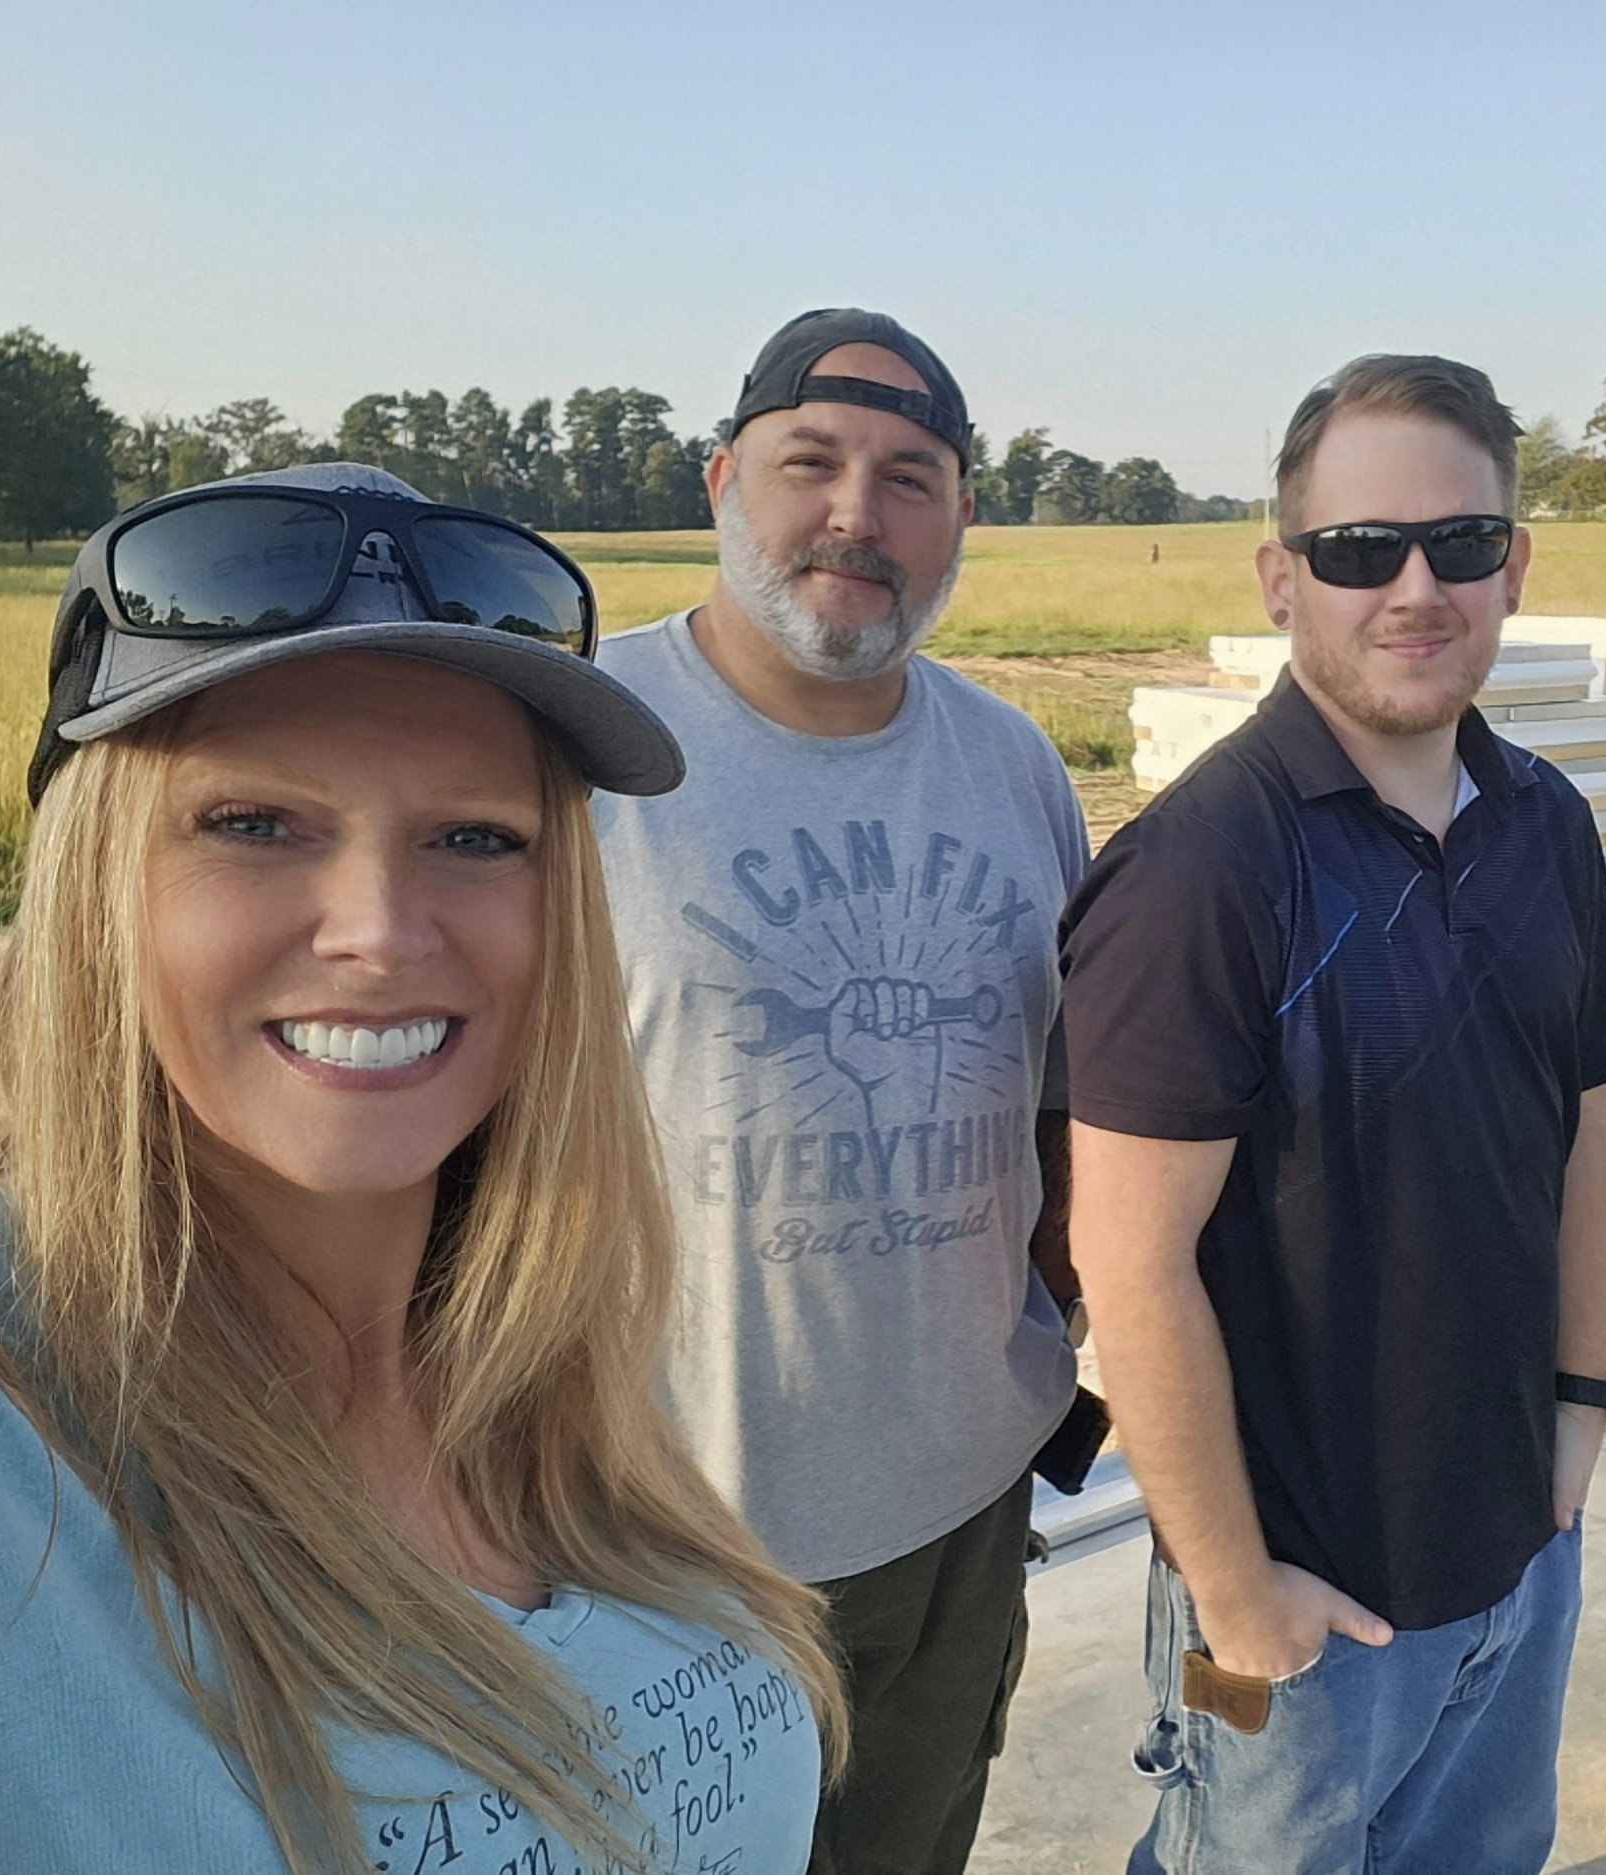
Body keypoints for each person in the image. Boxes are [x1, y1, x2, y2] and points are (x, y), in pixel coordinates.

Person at [0, 465, 841, 1875]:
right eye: (255, 824)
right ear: (99, 881)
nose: (381, 933)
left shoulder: (549, 1361)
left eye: (474, 838)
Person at [1058, 356, 1606, 1874]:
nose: (1413, 588)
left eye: (1458, 544)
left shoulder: (1545, 824)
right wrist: (1238, 1595)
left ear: (1514, 566)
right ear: (1281, 578)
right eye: (1359, 550)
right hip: (1305, 1603)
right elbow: (1132, 1265)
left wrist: (1581, 1409)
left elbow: (1582, 1127)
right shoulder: (1203, 875)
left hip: (1520, 1545)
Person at [591, 310, 1088, 1874]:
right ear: (727, 480)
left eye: (913, 478)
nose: (857, 515)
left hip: (960, 1511)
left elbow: (1069, 1114)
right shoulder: (570, 750)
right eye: (813, 464)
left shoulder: (1016, 772)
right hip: (658, 1537)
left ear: (958, 523)